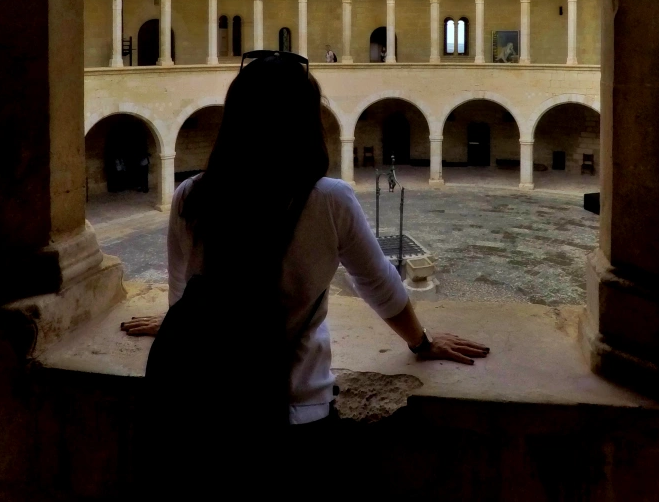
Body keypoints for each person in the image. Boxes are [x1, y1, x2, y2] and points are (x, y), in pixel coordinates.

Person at [121, 49, 487, 431]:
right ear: (304, 122)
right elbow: (381, 287)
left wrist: (171, 324)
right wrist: (421, 343)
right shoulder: (329, 200)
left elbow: (182, 296)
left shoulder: (191, 195)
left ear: (234, 117)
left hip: (204, 406)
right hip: (294, 407)